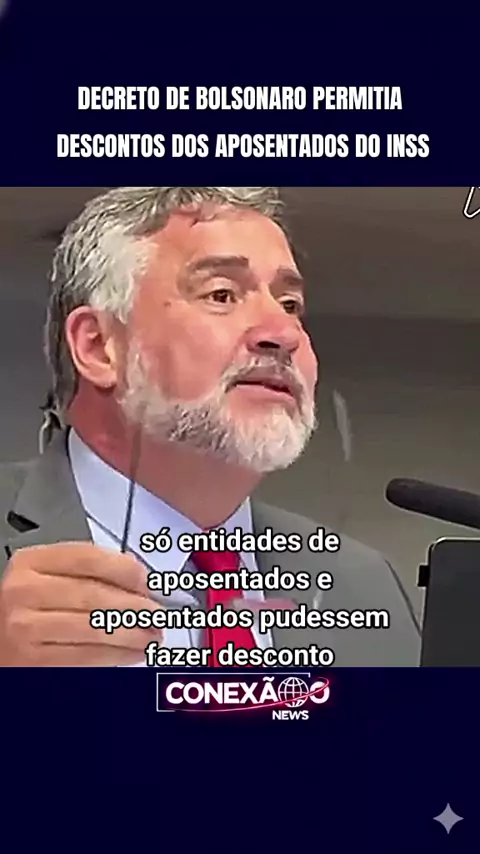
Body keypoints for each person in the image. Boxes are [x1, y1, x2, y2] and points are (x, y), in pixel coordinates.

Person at [0, 186, 420, 667]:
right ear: (99, 347)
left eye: (290, 305)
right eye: (222, 295)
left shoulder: (367, 586)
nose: (284, 334)